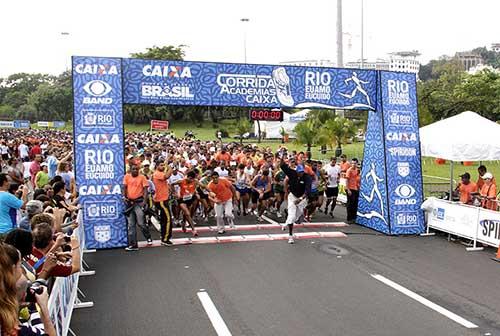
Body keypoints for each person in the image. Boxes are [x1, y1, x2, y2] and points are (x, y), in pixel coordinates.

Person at [279, 159, 311, 244]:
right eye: (299, 172)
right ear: (296, 171)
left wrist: (300, 199)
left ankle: (286, 223)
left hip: (302, 198)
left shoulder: (307, 177)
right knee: (292, 216)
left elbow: (308, 190)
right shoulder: (292, 173)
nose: (300, 174)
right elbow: (283, 166)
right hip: (292, 196)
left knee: (297, 216)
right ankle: (290, 236)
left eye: (302, 172)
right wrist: (282, 158)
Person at [123, 164, 153, 251]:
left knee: (141, 223)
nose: (135, 171)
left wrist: (144, 201)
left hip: (139, 202)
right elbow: (124, 187)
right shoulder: (127, 177)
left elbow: (145, 190)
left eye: (136, 169)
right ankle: (133, 245)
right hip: (129, 203)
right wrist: (124, 197)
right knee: (131, 225)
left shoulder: (142, 177)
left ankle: (148, 237)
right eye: (133, 169)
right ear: (130, 170)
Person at [152, 160, 174, 246]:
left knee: (164, 220)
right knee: (168, 219)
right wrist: (170, 168)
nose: (163, 167)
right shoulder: (157, 173)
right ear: (157, 166)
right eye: (161, 165)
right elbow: (167, 176)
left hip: (163, 199)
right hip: (161, 200)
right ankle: (165, 239)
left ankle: (164, 237)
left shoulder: (158, 173)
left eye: (163, 165)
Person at [345, 158, 361, 224]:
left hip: (356, 188)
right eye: (352, 163)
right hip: (350, 188)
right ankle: (349, 218)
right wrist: (348, 189)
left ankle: (354, 217)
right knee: (350, 204)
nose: (353, 165)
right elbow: (347, 180)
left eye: (355, 163)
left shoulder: (357, 170)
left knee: (355, 203)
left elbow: (357, 179)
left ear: (357, 164)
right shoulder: (349, 170)